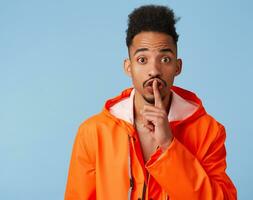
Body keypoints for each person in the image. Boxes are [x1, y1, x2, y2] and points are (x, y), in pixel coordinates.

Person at [65, 4, 237, 200]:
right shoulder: (93, 132)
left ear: (177, 67)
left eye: (165, 59)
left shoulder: (209, 131)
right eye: (142, 60)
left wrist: (169, 145)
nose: (154, 70)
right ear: (128, 67)